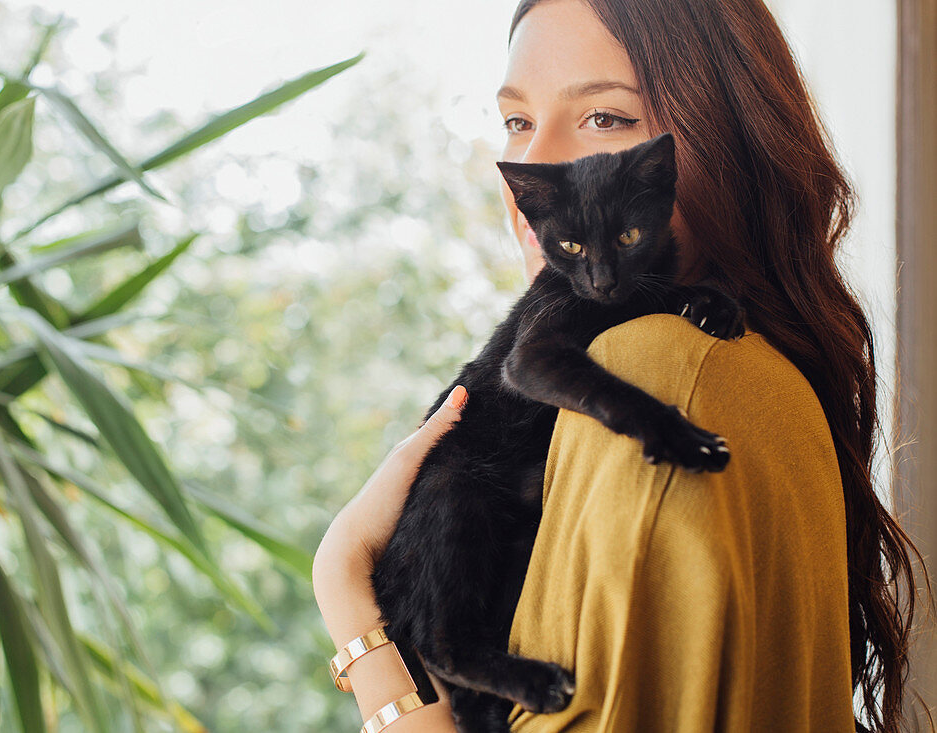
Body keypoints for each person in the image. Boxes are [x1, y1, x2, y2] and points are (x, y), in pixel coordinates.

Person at [312, 0, 933, 731]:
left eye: (604, 118)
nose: (536, 168)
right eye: (517, 122)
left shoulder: (654, 365)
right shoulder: (769, 380)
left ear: (721, 138)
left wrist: (350, 601)